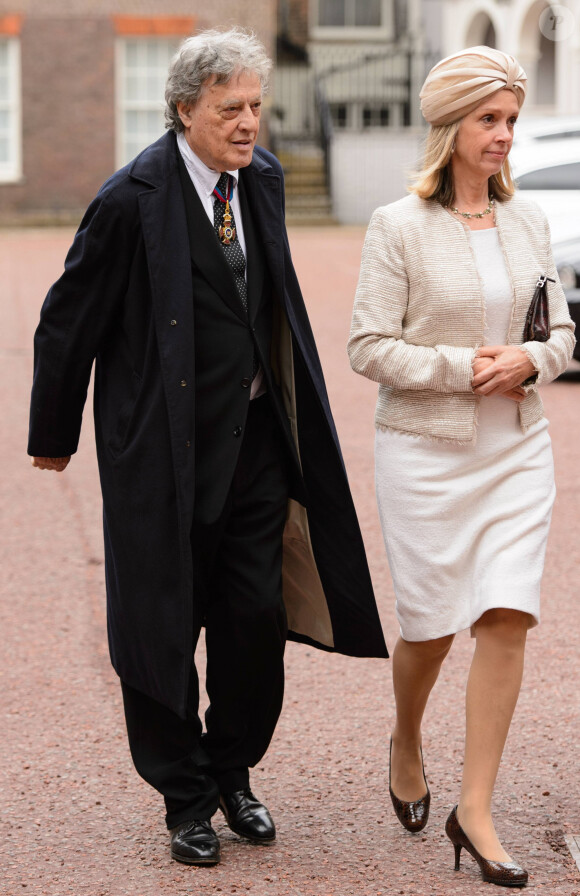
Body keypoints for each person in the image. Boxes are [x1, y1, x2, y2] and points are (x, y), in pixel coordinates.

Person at [28, 27, 387, 867]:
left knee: (254, 620)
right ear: (185, 109)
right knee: (159, 624)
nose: (249, 123)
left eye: (256, 106)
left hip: (257, 441)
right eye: (231, 108)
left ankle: (233, 771)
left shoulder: (259, 181)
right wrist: (55, 432)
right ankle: (184, 797)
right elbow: (66, 322)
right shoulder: (130, 199)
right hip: (162, 453)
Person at [348, 47, 575, 888]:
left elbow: (560, 334)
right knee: (431, 628)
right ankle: (406, 734)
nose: (505, 135)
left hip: (516, 447)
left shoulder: (530, 223)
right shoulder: (395, 226)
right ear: (450, 126)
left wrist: (529, 361)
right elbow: (368, 346)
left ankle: (475, 809)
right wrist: (461, 366)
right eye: (490, 119)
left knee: (508, 615)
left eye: (512, 120)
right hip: (426, 455)